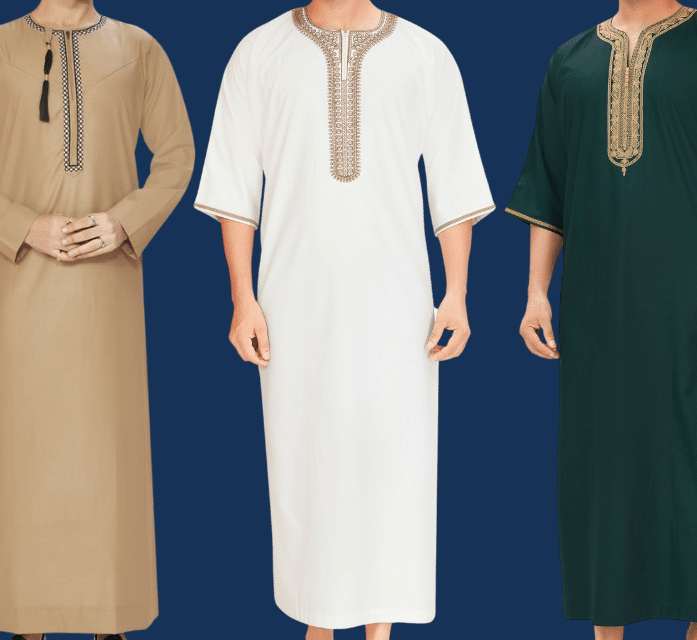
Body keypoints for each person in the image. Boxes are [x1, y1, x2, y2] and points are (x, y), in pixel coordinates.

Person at [193, 2, 492, 638]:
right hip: (293, 302)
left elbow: (455, 181)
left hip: (399, 306)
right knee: (306, 462)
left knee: (393, 460)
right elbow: (235, 188)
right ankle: (319, 625)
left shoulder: (425, 54)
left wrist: (457, 294)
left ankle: (381, 627)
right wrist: (242, 299)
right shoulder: (258, 53)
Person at [505, 2, 697, 638]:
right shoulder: (570, 61)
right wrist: (536, 292)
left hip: (695, 305)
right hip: (595, 309)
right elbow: (548, 189)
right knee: (601, 465)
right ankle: (608, 627)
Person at [0, 0, 193, 638]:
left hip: (109, 286)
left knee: (108, 451)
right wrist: (24, 227)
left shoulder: (139, 49)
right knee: (25, 447)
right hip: (23, 280)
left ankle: (111, 616)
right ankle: (26, 617)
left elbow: (177, 156)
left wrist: (123, 222)